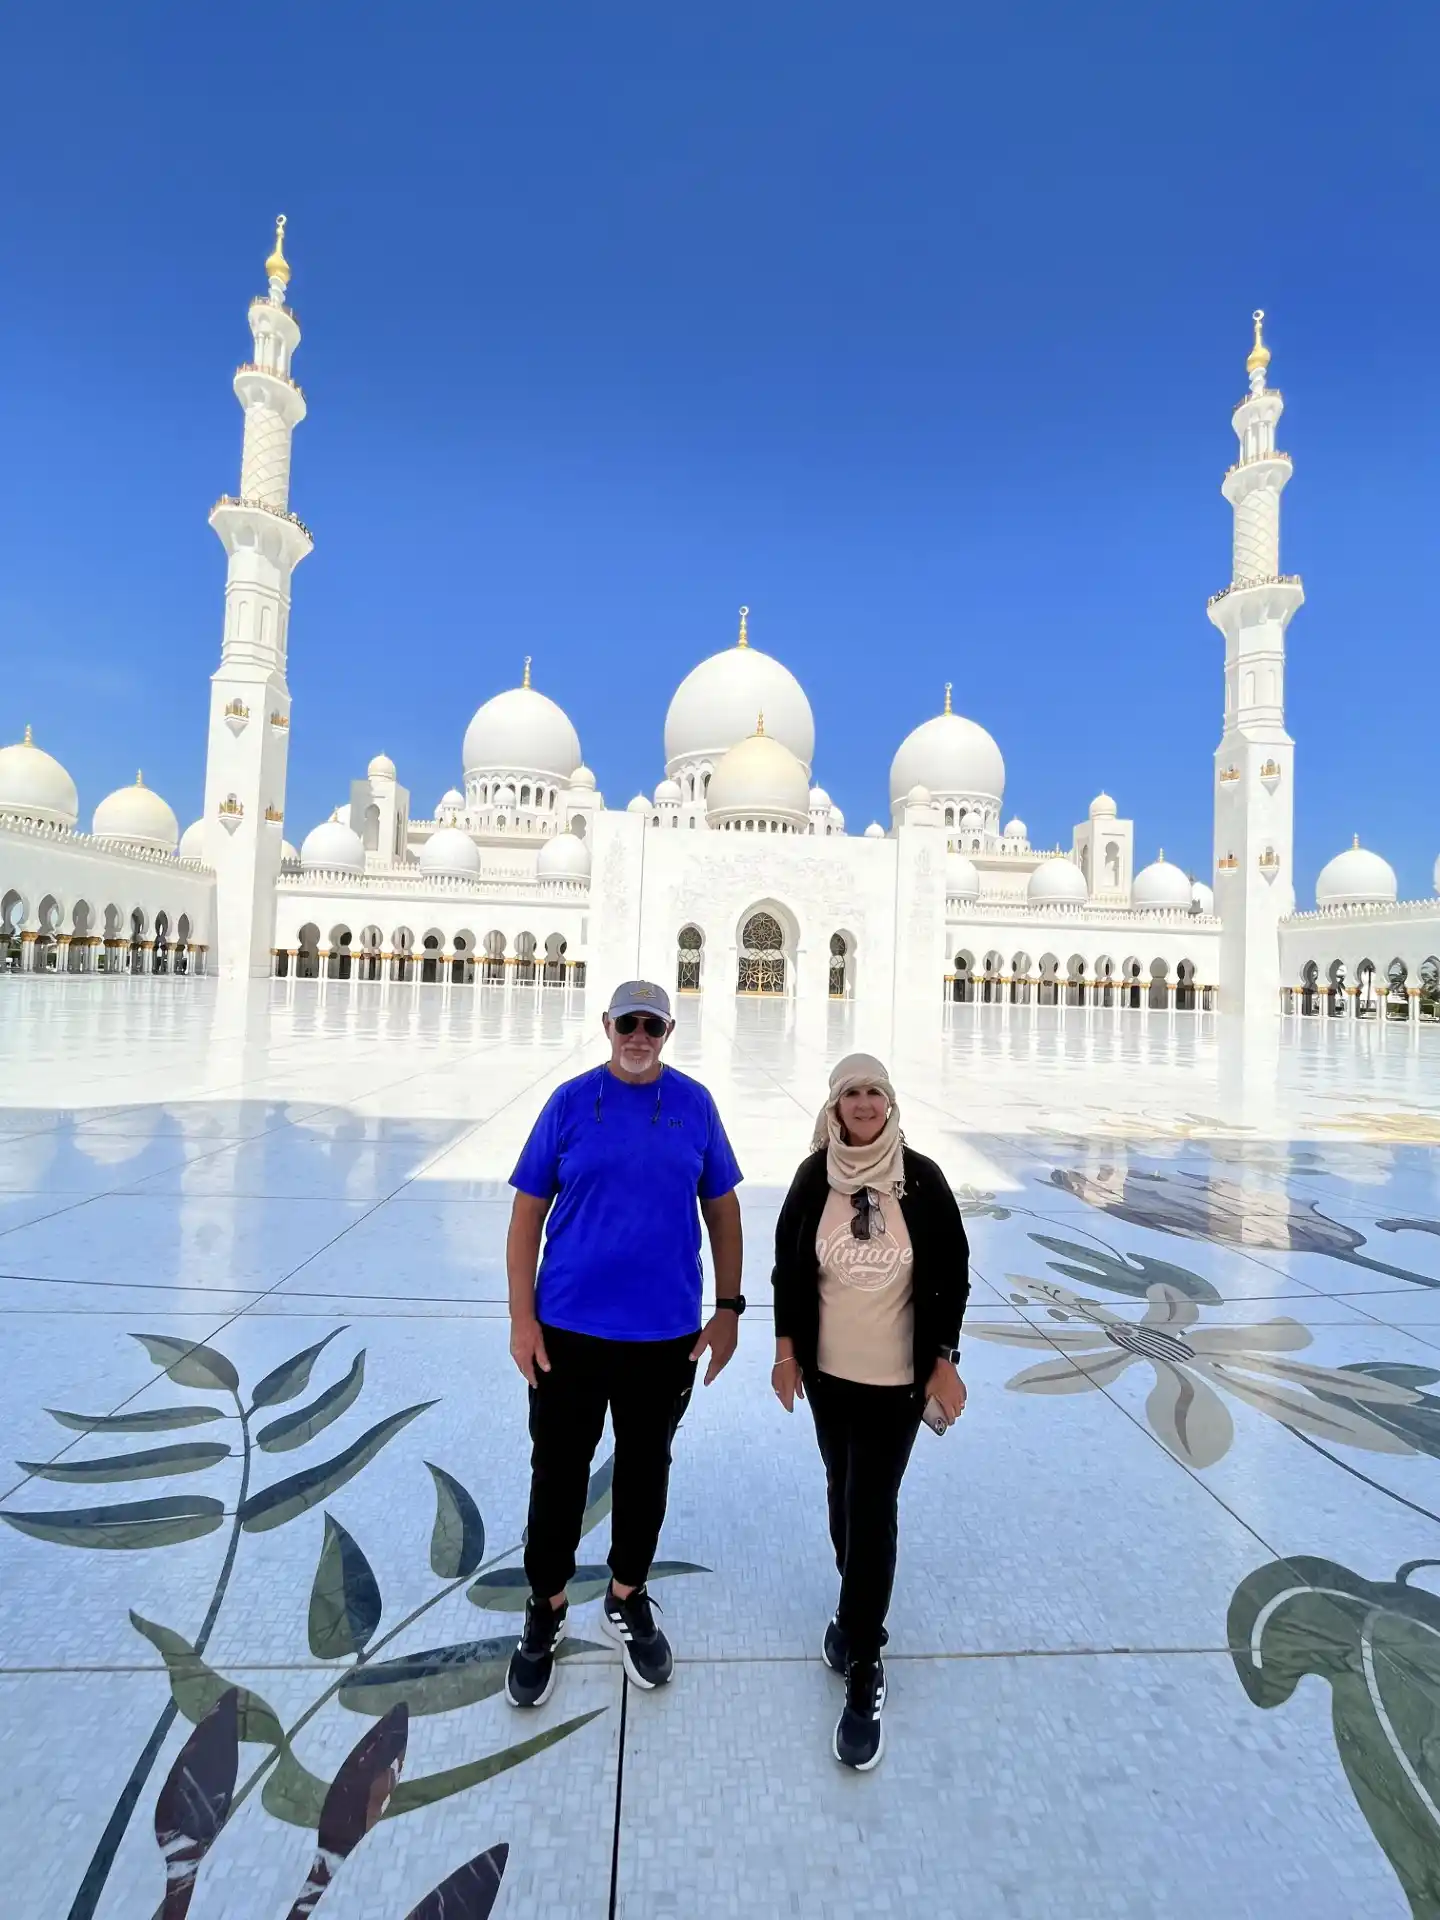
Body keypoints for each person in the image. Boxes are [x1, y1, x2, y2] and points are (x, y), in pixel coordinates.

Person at [505, 980, 744, 1707]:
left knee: (645, 1472)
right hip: (568, 1332)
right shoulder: (571, 1103)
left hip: (663, 1335)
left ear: (668, 1031)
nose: (639, 1037)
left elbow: (725, 1214)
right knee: (558, 1478)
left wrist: (728, 1310)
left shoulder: (695, 1105)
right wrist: (523, 1319)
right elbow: (524, 1220)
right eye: (628, 1024)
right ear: (606, 1026)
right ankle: (544, 1610)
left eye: (654, 1026)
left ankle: (625, 1595)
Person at [771, 1053, 969, 1770]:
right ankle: (853, 1615)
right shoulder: (811, 1175)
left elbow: (952, 1270)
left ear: (890, 1103)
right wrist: (785, 1351)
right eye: (850, 1093)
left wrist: (944, 1355)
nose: (862, 1104)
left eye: (874, 1093)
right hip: (829, 1376)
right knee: (840, 1494)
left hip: (897, 1382)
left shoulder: (922, 1178)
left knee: (871, 1499)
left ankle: (864, 1658)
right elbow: (788, 1266)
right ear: (833, 1105)